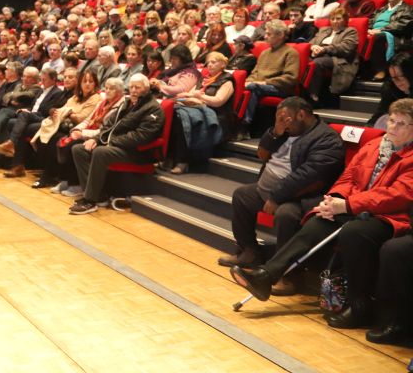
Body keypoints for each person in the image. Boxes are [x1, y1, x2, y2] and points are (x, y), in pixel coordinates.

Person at [231, 99, 413, 328]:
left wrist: (348, 205)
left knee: (354, 231)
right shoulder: (375, 145)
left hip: (391, 216)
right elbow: (349, 177)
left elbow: (398, 195)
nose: (393, 128)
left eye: (402, 124)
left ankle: (359, 305)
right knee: (321, 218)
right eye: (392, 121)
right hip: (357, 205)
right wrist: (336, 198)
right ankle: (266, 275)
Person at [218, 98, 344, 294]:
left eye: (285, 119)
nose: (283, 123)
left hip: (304, 195)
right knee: (242, 195)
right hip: (271, 189)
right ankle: (249, 252)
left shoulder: (326, 138)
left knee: (287, 215)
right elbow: (262, 154)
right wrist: (275, 132)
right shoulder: (284, 131)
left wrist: (277, 196)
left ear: (301, 115)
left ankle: (288, 276)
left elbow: (310, 175)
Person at [69, 74, 165, 214]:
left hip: (137, 152)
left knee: (100, 152)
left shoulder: (153, 108)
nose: (133, 90)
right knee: (79, 149)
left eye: (137, 87)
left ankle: (90, 201)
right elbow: (107, 126)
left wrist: (108, 142)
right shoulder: (127, 103)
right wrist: (96, 139)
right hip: (118, 146)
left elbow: (141, 137)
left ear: (146, 88)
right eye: (131, 86)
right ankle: (98, 196)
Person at [163, 51, 236, 174]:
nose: (210, 65)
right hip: (198, 108)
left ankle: (182, 160)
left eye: (214, 62)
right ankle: (169, 156)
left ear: (223, 64)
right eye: (208, 63)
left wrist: (199, 98)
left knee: (180, 119)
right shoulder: (204, 78)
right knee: (173, 114)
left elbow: (218, 101)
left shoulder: (227, 81)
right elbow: (189, 93)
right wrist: (189, 96)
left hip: (216, 115)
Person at [238, 20, 300, 139]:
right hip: (260, 86)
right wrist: (247, 82)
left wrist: (265, 82)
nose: (265, 36)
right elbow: (254, 73)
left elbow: (291, 78)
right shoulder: (264, 53)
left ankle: (245, 125)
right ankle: (235, 121)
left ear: (281, 35)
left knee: (253, 87)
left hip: (280, 88)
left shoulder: (291, 53)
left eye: (269, 34)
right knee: (242, 86)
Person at [305, 8, 359, 103]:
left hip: (337, 58)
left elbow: (346, 48)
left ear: (345, 19)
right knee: (301, 60)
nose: (335, 21)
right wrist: (313, 47)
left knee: (317, 63)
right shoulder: (324, 30)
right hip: (318, 54)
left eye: (338, 18)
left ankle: (313, 95)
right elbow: (311, 43)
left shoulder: (350, 31)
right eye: (332, 19)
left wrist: (325, 49)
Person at [367, 52, 413, 128]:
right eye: (393, 78)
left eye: (400, 77)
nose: (397, 82)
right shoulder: (390, 88)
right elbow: (380, 113)